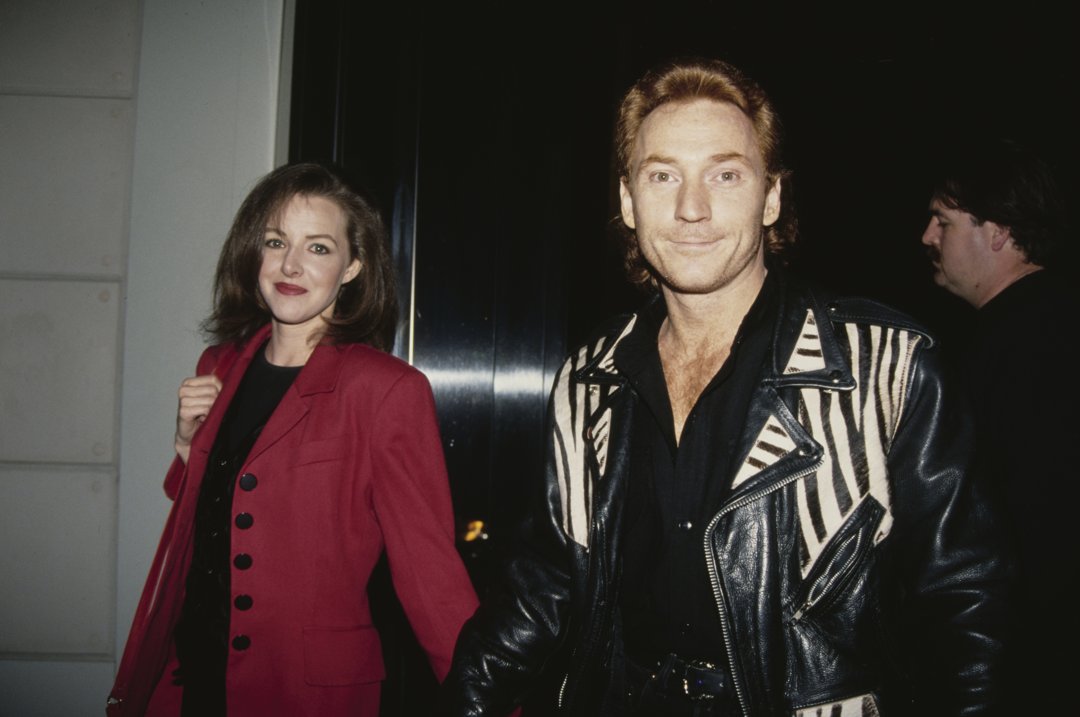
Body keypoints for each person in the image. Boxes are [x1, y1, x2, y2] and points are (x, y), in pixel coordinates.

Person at [441, 58, 1007, 716]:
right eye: (662, 175)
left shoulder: (887, 365)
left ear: (771, 196)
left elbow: (969, 611)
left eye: (726, 173)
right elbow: (543, 584)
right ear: (628, 200)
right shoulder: (589, 376)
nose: (691, 208)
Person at [107, 163, 478, 716]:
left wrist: (494, 699)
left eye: (319, 248)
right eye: (276, 241)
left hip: (304, 693)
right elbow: (212, 527)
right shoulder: (220, 367)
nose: (290, 265)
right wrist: (188, 450)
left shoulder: (386, 391)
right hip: (190, 681)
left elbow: (430, 576)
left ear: (353, 266)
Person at [921, 137, 1077, 714]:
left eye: (943, 221)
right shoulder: (1036, 324)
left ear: (1000, 232)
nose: (927, 238)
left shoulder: (1028, 342)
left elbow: (1033, 525)